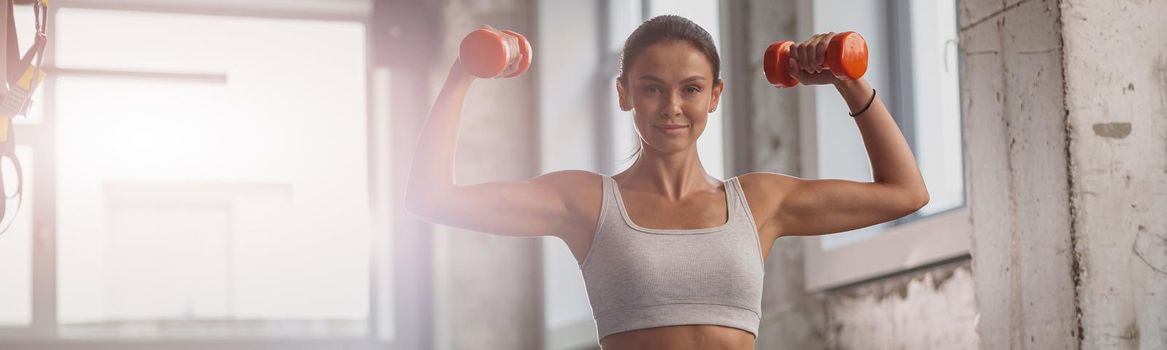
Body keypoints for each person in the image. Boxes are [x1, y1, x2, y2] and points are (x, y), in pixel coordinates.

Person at [405, 15, 928, 350]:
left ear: (715, 96)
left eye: (691, 89)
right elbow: (432, 199)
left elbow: (905, 193)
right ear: (623, 94)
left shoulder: (760, 202)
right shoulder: (585, 202)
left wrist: (849, 81)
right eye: (652, 88)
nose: (672, 107)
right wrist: (462, 73)